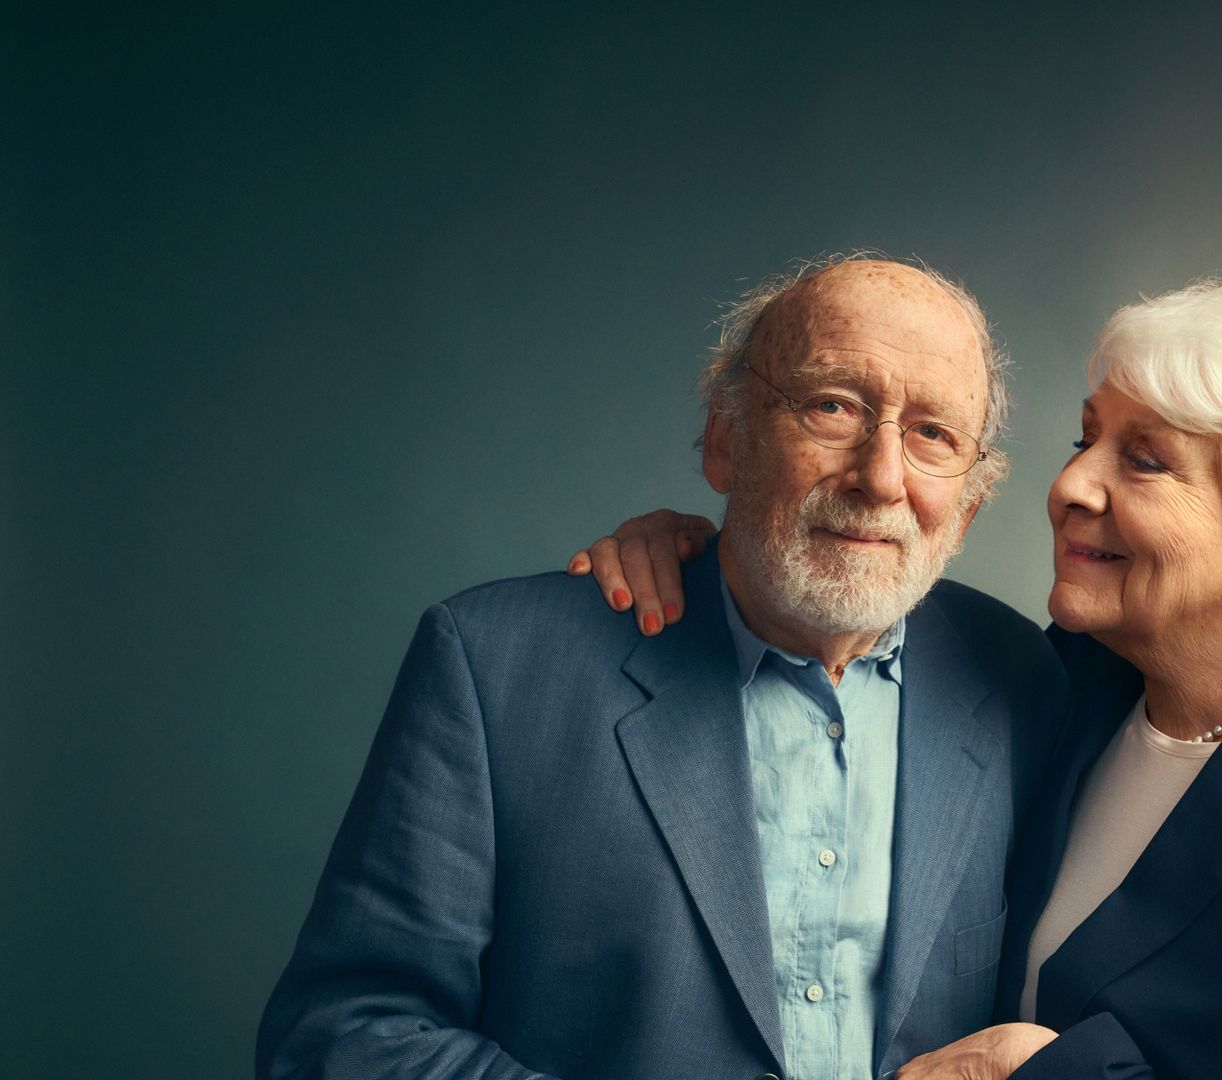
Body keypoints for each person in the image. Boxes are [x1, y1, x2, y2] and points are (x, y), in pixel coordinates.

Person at [570, 275, 1222, 1079]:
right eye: (1086, 439)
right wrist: (703, 555)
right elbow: (827, 580)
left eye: (1144, 462)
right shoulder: (1060, 682)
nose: (1069, 486)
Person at [257, 256, 1067, 1080]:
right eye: (833, 407)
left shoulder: (1023, 682)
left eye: (934, 433)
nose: (881, 477)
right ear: (727, 440)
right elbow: (345, 1037)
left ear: (969, 506)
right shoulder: (493, 666)